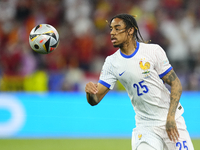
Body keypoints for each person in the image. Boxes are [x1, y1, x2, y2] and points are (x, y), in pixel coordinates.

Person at [85, 13, 194, 150]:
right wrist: (89, 92)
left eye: (117, 28)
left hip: (172, 119)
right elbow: (95, 99)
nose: (112, 33)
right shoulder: (111, 63)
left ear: (130, 30)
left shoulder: (153, 51)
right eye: (111, 29)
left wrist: (171, 118)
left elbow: (175, 83)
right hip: (146, 126)